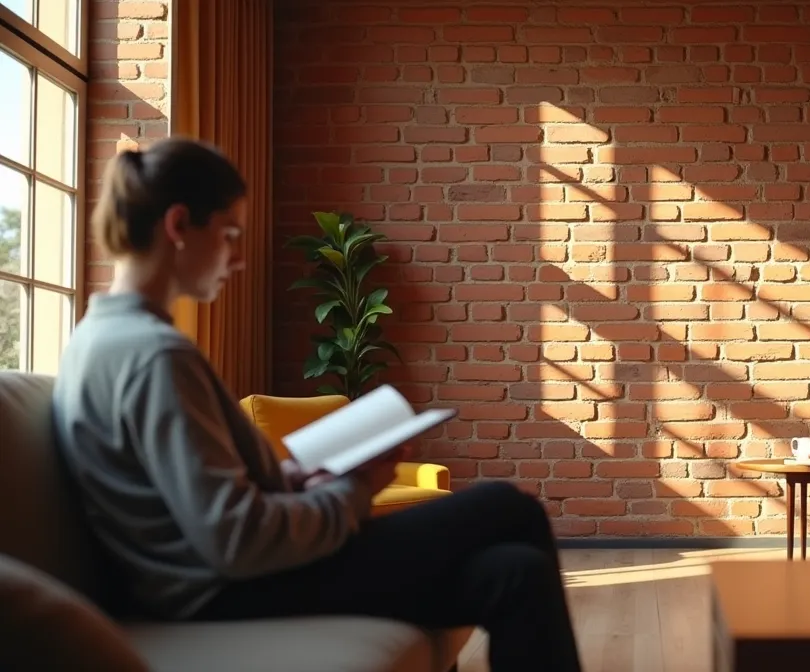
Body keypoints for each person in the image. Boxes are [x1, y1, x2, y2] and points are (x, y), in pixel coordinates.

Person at [50, 137, 582, 671]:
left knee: (514, 571)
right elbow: (235, 539)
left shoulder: (101, 338)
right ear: (178, 225)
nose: (237, 258)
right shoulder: (153, 356)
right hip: (220, 590)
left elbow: (200, 493)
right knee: (508, 508)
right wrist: (353, 491)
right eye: (230, 234)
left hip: (209, 580)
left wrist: (295, 483)